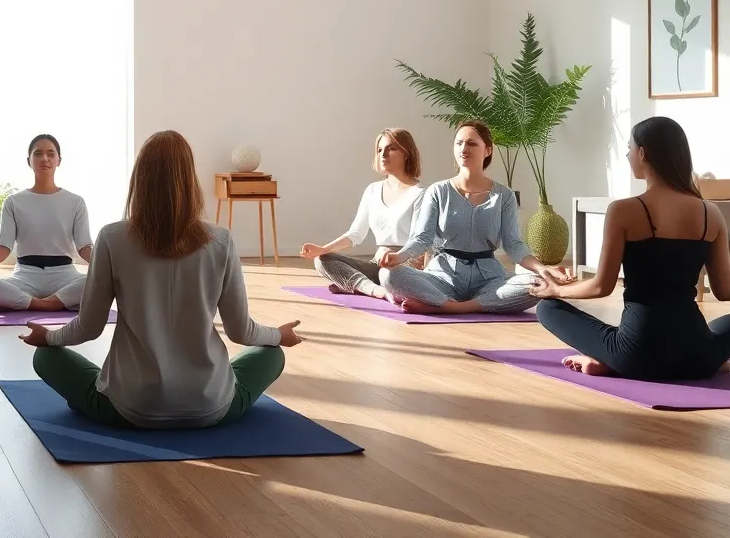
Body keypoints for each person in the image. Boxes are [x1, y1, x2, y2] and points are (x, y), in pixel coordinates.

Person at [18, 130, 303, 429]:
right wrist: (277, 336)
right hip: (210, 406)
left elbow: (88, 327)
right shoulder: (220, 240)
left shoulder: (112, 237)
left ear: (140, 179)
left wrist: (48, 337)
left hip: (128, 407)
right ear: (190, 179)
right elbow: (241, 331)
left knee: (45, 359)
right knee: (271, 355)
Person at [529, 116, 730, 379]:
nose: (627, 154)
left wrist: (556, 290)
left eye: (629, 148)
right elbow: (725, 291)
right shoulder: (711, 213)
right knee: (710, 328)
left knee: (547, 308)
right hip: (699, 357)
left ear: (643, 153)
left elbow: (601, 286)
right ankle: (610, 359)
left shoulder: (623, 210)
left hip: (636, 355)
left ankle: (608, 359)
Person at [376, 120, 570, 314]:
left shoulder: (504, 195)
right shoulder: (438, 191)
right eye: (459, 143)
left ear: (487, 150)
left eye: (471, 143)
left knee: (538, 283)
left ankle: (449, 307)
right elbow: (422, 238)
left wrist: (542, 268)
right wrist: (399, 256)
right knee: (388, 275)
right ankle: (454, 303)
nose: (463, 148)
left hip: (489, 280)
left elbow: (513, 244)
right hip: (442, 278)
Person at [0, 134, 92, 312]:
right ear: (29, 160)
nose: (45, 159)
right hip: (25, 277)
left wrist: (110, 267)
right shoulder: (13, 202)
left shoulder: (75, 202)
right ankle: (53, 303)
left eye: (51, 154)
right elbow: (3, 248)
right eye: (38, 153)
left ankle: (20, 303)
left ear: (59, 160)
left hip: (65, 276)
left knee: (103, 279)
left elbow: (85, 247)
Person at [300, 128, 426, 300]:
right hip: (377, 265)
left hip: (404, 269)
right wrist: (322, 249)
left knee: (390, 276)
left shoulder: (421, 194)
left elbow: (422, 243)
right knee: (322, 260)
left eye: (392, 148)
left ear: (407, 153)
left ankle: (356, 285)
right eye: (380, 150)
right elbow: (356, 234)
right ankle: (376, 291)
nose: (384, 154)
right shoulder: (372, 190)